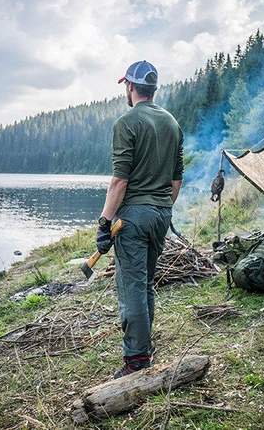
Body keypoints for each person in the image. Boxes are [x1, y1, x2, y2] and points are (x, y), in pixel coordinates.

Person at [96, 60, 184, 378]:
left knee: (131, 285)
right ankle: (144, 346)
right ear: (153, 88)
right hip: (161, 212)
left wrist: (104, 223)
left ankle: (136, 360)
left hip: (132, 216)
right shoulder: (172, 123)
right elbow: (176, 181)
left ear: (131, 87)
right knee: (145, 282)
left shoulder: (127, 122)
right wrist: (160, 209)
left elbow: (119, 181)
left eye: (125, 86)